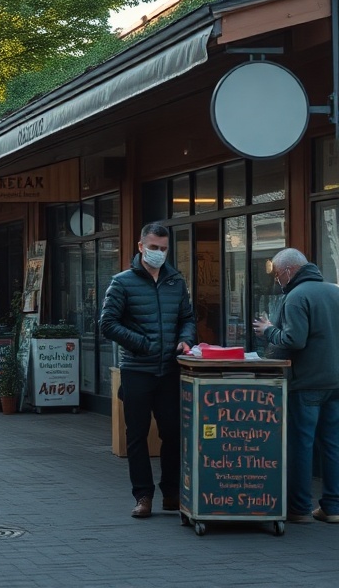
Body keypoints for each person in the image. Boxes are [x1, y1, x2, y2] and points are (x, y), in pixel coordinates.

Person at [99, 222, 195, 519]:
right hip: (137, 371)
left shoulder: (176, 282)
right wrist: (142, 344)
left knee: (173, 433)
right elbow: (107, 323)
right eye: (153, 247)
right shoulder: (122, 282)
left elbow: (188, 318)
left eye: (163, 249)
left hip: (169, 371)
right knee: (137, 436)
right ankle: (143, 495)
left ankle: (171, 492)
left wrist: (185, 339)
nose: (158, 253)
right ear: (141, 246)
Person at [253, 247, 339, 524]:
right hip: (336, 383)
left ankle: (300, 508)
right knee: (333, 445)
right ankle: (333, 507)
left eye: (278, 274)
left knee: (301, 445)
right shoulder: (335, 291)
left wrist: (268, 330)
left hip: (306, 383)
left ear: (289, 271)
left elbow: (294, 340)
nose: (277, 280)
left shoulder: (295, 297)